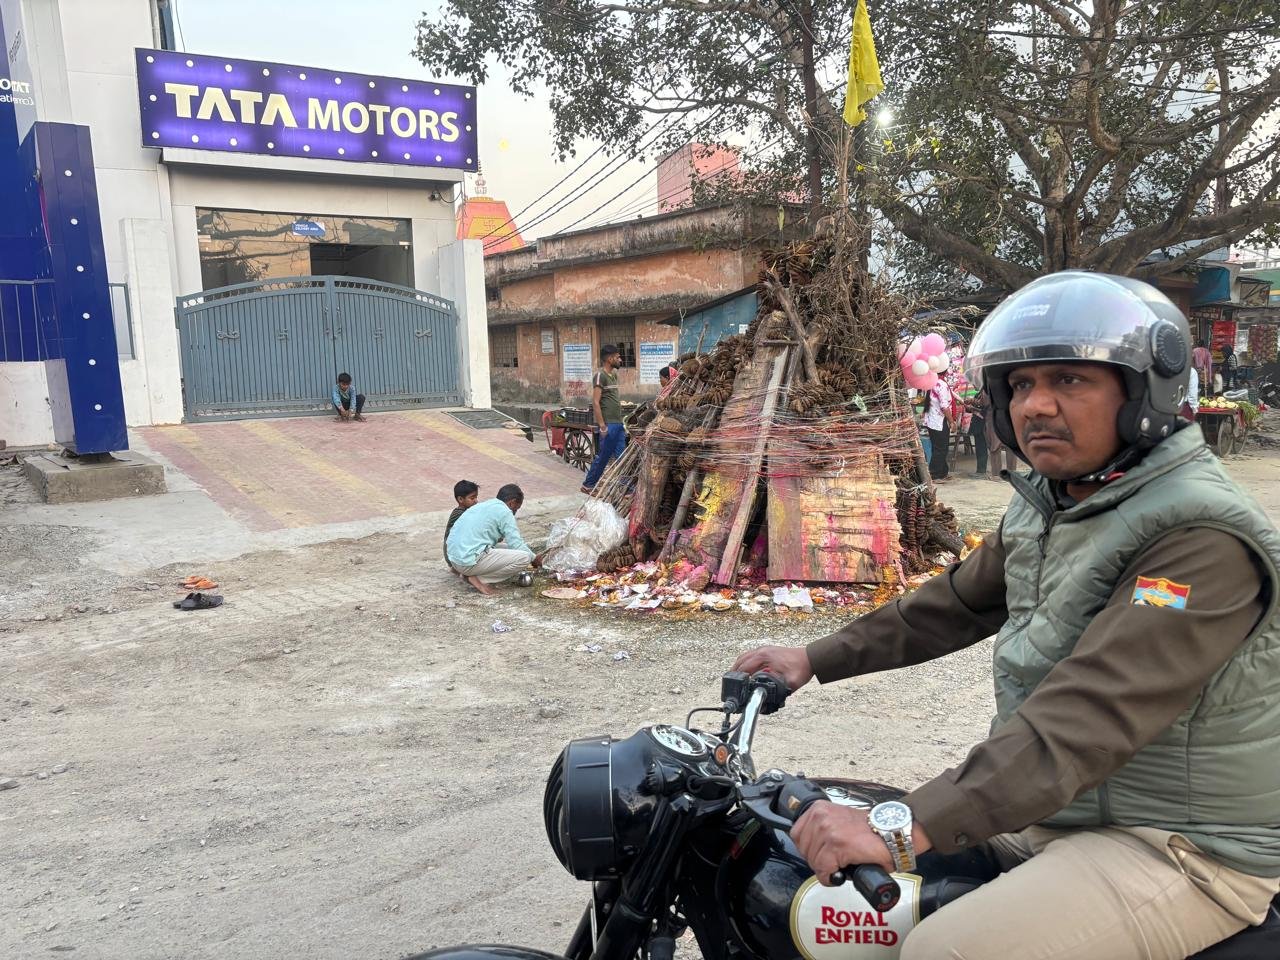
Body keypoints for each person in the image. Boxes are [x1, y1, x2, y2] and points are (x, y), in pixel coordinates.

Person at [734, 271, 1280, 960]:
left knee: (944, 951)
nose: (1036, 405)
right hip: (1065, 811)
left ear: (1146, 392)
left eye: (1069, 380)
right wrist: (813, 658)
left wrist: (906, 824)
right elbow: (954, 603)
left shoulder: (1201, 538)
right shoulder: (1055, 501)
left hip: (1179, 845)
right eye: (1020, 384)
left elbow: (1091, 712)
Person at [445, 483, 540, 595]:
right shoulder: (505, 511)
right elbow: (516, 543)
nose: (515, 512)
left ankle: (469, 573)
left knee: (510, 548)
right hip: (466, 562)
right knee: (525, 558)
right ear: (512, 502)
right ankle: (479, 579)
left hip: (454, 560)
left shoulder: (485, 505)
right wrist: (535, 558)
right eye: (516, 508)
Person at [580, 344, 627, 494]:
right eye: (617, 357)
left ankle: (627, 488)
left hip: (618, 423)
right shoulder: (600, 376)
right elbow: (595, 402)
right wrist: (602, 426)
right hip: (608, 424)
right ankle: (588, 485)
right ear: (609, 359)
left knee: (622, 456)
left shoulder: (614, 375)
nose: (620, 360)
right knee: (603, 457)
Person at [443, 480, 479, 574]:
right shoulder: (460, 514)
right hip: (453, 555)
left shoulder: (467, 512)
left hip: (454, 554)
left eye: (476, 497)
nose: (476, 501)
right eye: (472, 498)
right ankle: (459, 569)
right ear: (460, 499)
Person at [923, 375, 954, 482]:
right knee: (941, 448)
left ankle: (943, 472)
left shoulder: (931, 382)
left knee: (938, 447)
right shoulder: (942, 384)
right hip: (939, 420)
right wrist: (951, 421)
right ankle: (934, 474)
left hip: (931, 420)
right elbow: (944, 406)